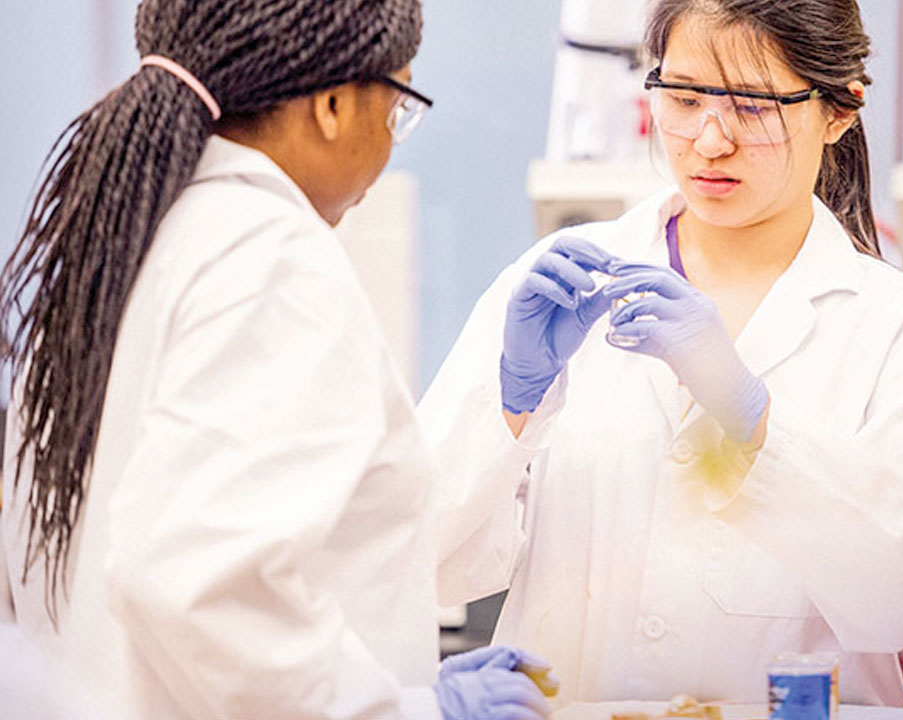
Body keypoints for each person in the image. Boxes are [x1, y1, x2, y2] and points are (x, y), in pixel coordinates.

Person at [420, 0, 903, 707]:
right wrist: (508, 406)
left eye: (752, 107)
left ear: (840, 110)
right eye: (683, 98)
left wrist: (757, 430)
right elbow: (417, 563)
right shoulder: (558, 285)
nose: (708, 141)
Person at [0, 1, 556, 717]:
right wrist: (405, 709)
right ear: (330, 105)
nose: (392, 141)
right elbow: (193, 576)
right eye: (397, 104)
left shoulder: (120, 247)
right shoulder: (268, 258)